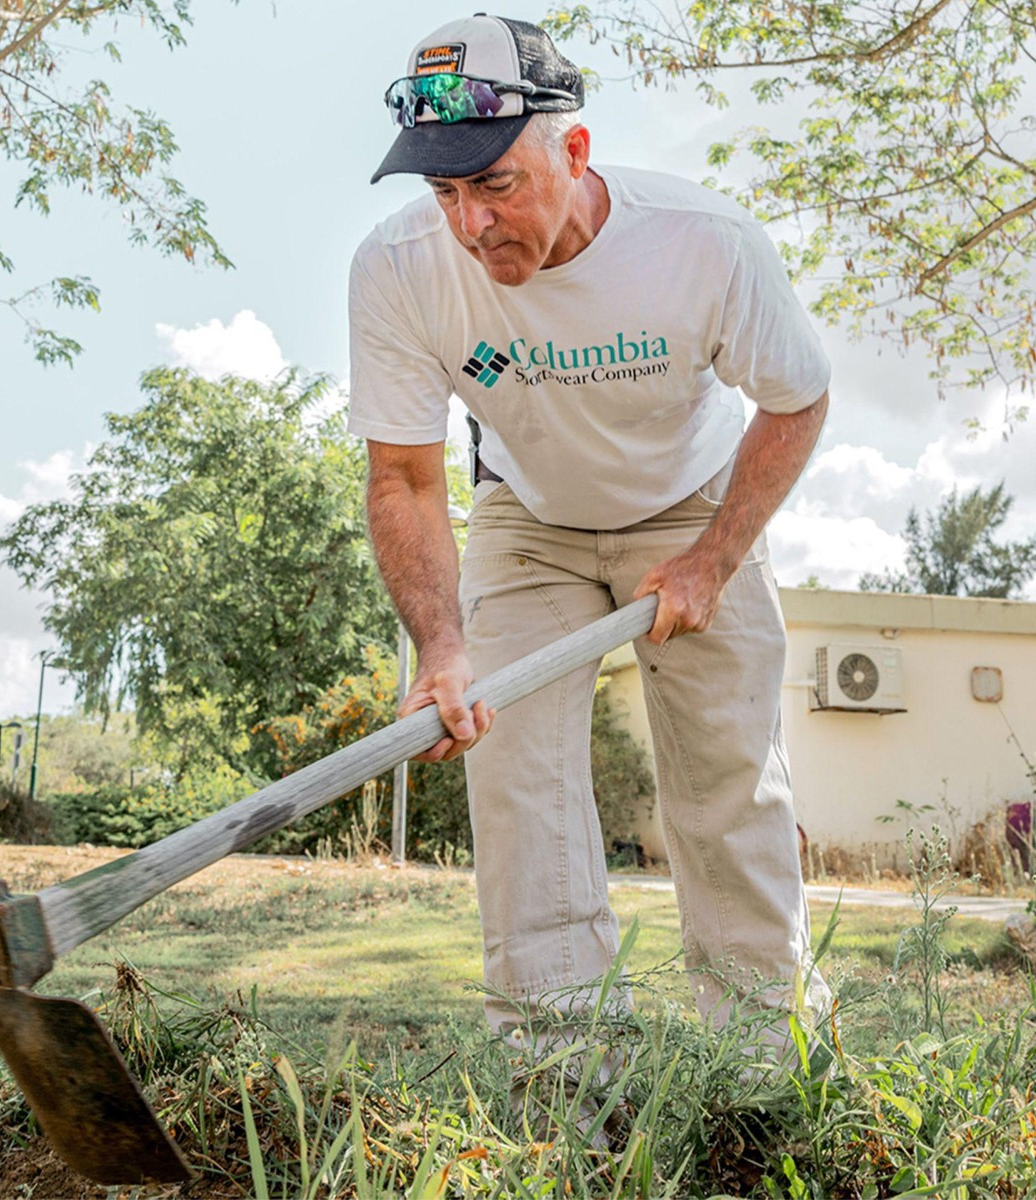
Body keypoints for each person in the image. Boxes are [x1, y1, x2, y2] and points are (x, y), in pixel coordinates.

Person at [347, 13, 832, 1067]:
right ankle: (566, 1075)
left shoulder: (703, 244)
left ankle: (764, 1063)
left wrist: (714, 560)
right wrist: (441, 648)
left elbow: (798, 401)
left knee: (729, 782)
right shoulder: (397, 268)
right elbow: (406, 474)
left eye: (496, 186)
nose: (471, 226)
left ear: (573, 151)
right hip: (527, 522)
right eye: (446, 194)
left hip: (696, 505)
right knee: (515, 779)